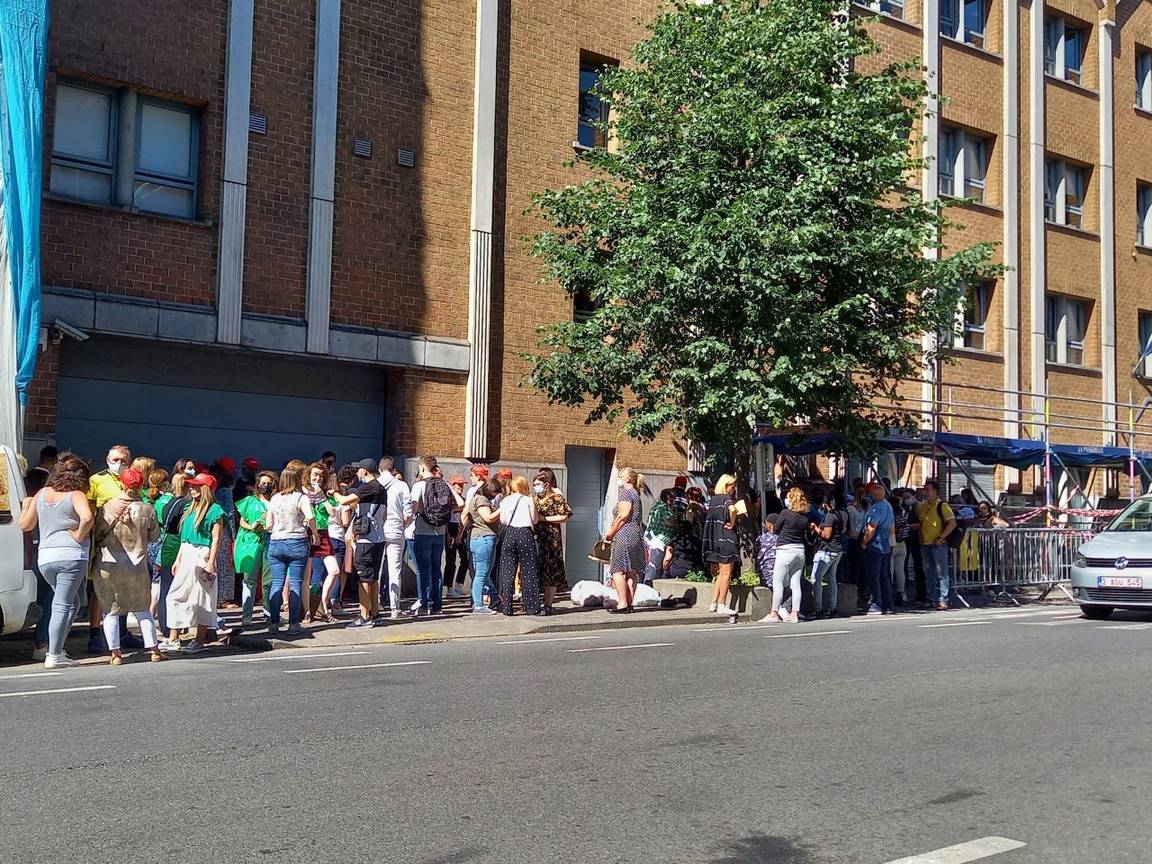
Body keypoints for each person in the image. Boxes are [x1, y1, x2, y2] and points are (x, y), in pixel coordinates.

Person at [18, 454, 95, 669]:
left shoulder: (42, 494)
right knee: (62, 604)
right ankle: (53, 654)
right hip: (71, 555)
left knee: (72, 603)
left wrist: (26, 506)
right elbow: (88, 517)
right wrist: (79, 536)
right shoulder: (76, 494)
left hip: (46, 556)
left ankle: (57, 648)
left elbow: (25, 526)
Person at [92, 468, 165, 664]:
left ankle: (116, 654)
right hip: (136, 566)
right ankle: (154, 651)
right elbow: (154, 536)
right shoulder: (147, 509)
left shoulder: (107, 507)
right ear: (141, 485)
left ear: (122, 484)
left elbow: (97, 534)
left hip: (109, 564)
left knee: (110, 610)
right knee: (143, 610)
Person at [161, 472, 226, 654]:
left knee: (203, 598)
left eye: (196, 485)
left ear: (205, 489)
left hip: (202, 554)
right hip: (188, 552)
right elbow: (184, 537)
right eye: (191, 485)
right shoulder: (190, 507)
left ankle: (199, 639)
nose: (192, 487)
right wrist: (178, 558)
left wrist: (211, 562)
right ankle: (174, 637)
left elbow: (216, 540)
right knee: (175, 595)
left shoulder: (215, 511)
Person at [86, 444, 134, 654]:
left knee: (123, 589)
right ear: (107, 459)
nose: (119, 464)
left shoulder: (134, 481)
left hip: (129, 544)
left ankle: (121, 632)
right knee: (100, 589)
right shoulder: (97, 480)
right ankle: (95, 634)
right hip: (104, 542)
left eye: (124, 461)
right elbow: (89, 510)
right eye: (115, 460)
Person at [333, 458, 388, 628]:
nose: (357, 473)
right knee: (372, 578)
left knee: (363, 578)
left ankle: (364, 616)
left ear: (364, 471)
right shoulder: (381, 488)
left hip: (366, 541)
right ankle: (375, 613)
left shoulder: (368, 486)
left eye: (359, 470)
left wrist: (333, 492)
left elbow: (343, 501)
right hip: (378, 538)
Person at [263, 466, 317, 635]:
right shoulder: (301, 498)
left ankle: (274, 623)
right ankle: (294, 624)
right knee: (295, 583)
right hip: (297, 541)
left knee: (277, 583)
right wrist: (314, 533)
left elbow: (268, 525)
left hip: (276, 542)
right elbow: (310, 517)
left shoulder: (274, 498)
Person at [411, 455, 453, 615]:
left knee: (423, 570)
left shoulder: (419, 486)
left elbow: (414, 508)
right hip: (440, 532)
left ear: (422, 468)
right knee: (436, 569)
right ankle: (437, 606)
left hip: (423, 530)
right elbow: (460, 503)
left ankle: (424, 605)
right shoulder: (444, 484)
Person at [761, 486, 810, 623]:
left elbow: (775, 530)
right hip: (799, 550)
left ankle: (774, 613)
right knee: (796, 583)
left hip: (785, 550)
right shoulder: (804, 518)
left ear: (791, 499)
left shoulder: (785, 513)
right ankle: (795, 613)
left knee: (778, 583)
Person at [235, 470, 275, 629]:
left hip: (270, 540)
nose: (266, 486)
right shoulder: (249, 501)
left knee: (268, 581)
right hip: (251, 542)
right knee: (249, 580)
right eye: (263, 483)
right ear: (257, 484)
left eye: (269, 484)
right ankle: (247, 615)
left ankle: (269, 613)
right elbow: (241, 521)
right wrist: (252, 526)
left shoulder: (276, 501)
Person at [604, 467, 646, 614]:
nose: (619, 479)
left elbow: (623, 515)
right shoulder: (636, 494)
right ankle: (629, 602)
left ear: (628, 479)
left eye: (621, 476)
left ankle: (622, 603)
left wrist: (611, 532)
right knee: (631, 571)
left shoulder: (626, 493)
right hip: (636, 533)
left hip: (624, 534)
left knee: (617, 570)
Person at [496, 475, 541, 615]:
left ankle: (507, 607)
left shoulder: (505, 500)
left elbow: (502, 520)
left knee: (508, 571)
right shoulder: (528, 500)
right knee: (528, 570)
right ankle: (531, 607)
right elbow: (534, 520)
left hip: (509, 534)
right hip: (525, 534)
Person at [533, 468, 572, 615]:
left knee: (551, 569)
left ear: (546, 484)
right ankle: (537, 601)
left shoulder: (556, 497)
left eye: (538, 483)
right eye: (534, 484)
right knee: (538, 569)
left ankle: (548, 603)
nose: (536, 487)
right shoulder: (535, 498)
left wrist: (545, 519)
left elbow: (565, 516)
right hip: (537, 537)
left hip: (551, 538)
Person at [304, 462, 339, 623]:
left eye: (320, 475)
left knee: (334, 570)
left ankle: (324, 605)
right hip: (308, 534)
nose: (317, 478)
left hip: (324, 534)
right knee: (307, 576)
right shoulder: (303, 493)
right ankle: (307, 612)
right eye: (315, 474)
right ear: (309, 475)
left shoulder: (325, 494)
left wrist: (322, 496)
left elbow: (332, 513)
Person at [700, 474, 740, 616]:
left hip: (715, 539)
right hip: (726, 539)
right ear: (726, 486)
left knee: (719, 574)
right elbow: (733, 510)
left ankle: (714, 602)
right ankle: (723, 603)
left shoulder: (713, 500)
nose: (734, 489)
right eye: (732, 486)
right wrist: (733, 523)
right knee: (727, 574)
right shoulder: (726, 499)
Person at [915, 479, 957, 611]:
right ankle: (931, 598)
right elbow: (921, 524)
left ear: (935, 491)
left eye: (928, 490)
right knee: (929, 572)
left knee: (942, 572)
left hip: (938, 544)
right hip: (925, 544)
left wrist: (941, 537)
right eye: (924, 489)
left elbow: (952, 523)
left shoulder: (942, 505)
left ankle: (943, 599)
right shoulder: (922, 506)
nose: (925, 492)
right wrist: (921, 539)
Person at [464, 478, 502, 614]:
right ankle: (478, 605)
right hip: (484, 538)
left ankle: (494, 597)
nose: (495, 495)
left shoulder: (477, 498)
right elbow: (488, 518)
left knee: (484, 573)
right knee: (481, 573)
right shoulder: (481, 500)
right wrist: (502, 509)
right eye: (495, 492)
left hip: (478, 538)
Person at [811, 491, 847, 619]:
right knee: (832, 578)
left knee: (816, 578)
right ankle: (833, 607)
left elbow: (826, 535)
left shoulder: (830, 516)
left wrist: (815, 528)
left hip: (827, 550)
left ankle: (818, 608)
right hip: (838, 549)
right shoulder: (844, 513)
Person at [861, 482, 896, 615]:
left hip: (875, 545)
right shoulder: (888, 506)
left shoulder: (875, 509)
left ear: (874, 495)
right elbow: (892, 528)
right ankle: (888, 605)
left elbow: (871, 528)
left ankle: (876, 603)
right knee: (884, 576)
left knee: (874, 576)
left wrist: (864, 542)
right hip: (886, 545)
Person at [443, 475, 470, 600]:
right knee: (451, 560)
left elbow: (466, 517)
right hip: (451, 528)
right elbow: (446, 519)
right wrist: (448, 534)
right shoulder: (449, 501)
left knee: (465, 558)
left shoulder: (463, 500)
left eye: (462, 485)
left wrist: (462, 532)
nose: (460, 487)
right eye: (458, 485)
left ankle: (459, 584)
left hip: (461, 528)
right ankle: (448, 587)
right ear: (452, 486)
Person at [644, 488, 677, 585]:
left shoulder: (657, 505)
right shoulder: (663, 507)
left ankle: (647, 584)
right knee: (654, 566)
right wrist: (676, 521)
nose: (673, 500)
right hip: (657, 541)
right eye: (671, 497)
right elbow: (670, 522)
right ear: (665, 497)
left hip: (650, 538)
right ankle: (648, 585)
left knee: (650, 564)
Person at [663, 511, 704, 579]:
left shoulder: (674, 541)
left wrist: (665, 569)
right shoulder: (697, 541)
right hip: (692, 570)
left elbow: (667, 559)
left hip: (676, 570)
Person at [890, 490, 910, 607]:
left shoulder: (890, 515)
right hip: (902, 545)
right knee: (900, 571)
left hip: (892, 545)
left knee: (890, 571)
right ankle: (900, 594)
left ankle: (888, 594)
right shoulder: (901, 515)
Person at [754, 513, 779, 588]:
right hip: (782, 576)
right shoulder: (783, 538)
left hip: (767, 576)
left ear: (769, 525)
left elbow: (757, 556)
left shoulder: (762, 539)